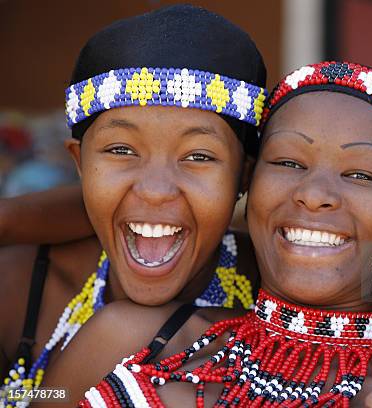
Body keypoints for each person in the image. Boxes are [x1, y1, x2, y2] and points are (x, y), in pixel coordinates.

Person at [40, 62, 372, 407]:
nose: (314, 195)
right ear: (247, 182)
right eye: (288, 163)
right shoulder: (125, 338)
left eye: (362, 174)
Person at [0, 5, 265, 403]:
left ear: (243, 178)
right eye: (121, 149)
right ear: (80, 163)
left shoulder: (276, 286)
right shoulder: (19, 289)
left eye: (198, 156)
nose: (156, 190)